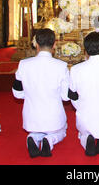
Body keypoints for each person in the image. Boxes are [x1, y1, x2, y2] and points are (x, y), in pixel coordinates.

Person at [13, 28, 71, 158]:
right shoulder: (61, 66)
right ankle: (49, 140)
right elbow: (66, 97)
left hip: (31, 118)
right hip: (54, 118)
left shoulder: (23, 64)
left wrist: (28, 93)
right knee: (62, 131)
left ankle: (33, 137)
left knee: (37, 130)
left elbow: (17, 93)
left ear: (36, 44)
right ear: (55, 44)